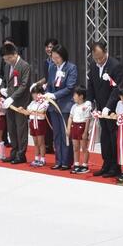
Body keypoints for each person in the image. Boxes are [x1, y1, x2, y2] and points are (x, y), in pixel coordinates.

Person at [87, 41, 123, 178]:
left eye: (101, 57)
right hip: (100, 107)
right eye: (96, 58)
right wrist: (89, 101)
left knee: (113, 136)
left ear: (105, 52)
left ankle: (115, 166)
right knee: (104, 136)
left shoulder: (115, 65)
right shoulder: (93, 65)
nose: (99, 60)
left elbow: (117, 88)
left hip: (113, 108)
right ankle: (106, 163)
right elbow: (91, 84)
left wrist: (109, 106)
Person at [45, 43, 77, 171]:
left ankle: (66, 161)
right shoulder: (52, 67)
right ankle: (58, 160)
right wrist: (47, 95)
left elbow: (70, 87)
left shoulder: (71, 68)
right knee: (56, 134)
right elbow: (49, 84)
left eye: (57, 57)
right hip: (53, 106)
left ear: (63, 56)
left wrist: (54, 95)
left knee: (65, 134)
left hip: (65, 105)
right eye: (53, 57)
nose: (55, 60)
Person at [0, 42, 32, 164]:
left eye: (9, 58)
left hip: (20, 102)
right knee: (11, 128)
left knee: (21, 128)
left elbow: (24, 85)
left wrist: (12, 97)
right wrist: (4, 89)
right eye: (5, 59)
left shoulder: (24, 65)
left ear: (15, 54)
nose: (8, 61)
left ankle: (21, 154)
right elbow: (7, 81)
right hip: (9, 102)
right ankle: (14, 152)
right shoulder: (8, 66)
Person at [9, 85, 51, 167]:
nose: (35, 95)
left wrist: (31, 111)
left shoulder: (45, 102)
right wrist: (21, 110)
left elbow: (42, 113)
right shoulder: (32, 103)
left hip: (39, 123)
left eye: (37, 93)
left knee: (41, 142)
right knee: (35, 142)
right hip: (32, 122)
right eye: (33, 93)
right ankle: (36, 158)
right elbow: (27, 112)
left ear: (41, 93)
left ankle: (42, 159)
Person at [68, 87, 92, 173]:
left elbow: (87, 120)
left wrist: (85, 132)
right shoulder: (74, 106)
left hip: (82, 126)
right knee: (75, 147)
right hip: (74, 126)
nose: (73, 96)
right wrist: (68, 128)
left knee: (84, 147)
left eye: (75, 95)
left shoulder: (86, 106)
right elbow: (70, 118)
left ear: (81, 96)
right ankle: (76, 164)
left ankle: (85, 165)